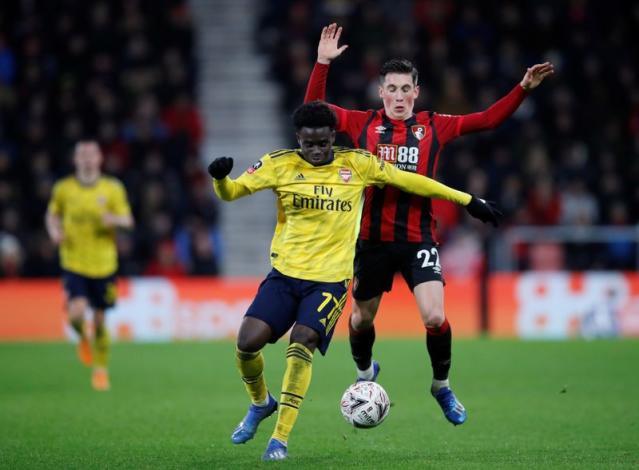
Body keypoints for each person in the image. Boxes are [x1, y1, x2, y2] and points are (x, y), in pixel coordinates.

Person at [208, 101, 500, 461]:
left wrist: (467, 199)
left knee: (301, 343)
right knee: (246, 343)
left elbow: (412, 181)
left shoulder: (357, 163)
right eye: (308, 144)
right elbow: (232, 193)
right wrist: (221, 179)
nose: (316, 151)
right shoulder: (278, 164)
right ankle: (260, 403)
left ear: (333, 136)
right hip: (284, 276)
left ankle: (279, 440)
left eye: (323, 143)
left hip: (329, 282)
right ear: (298, 138)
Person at [304, 23, 554, 425]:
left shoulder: (433, 125)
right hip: (370, 240)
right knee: (359, 319)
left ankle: (441, 386)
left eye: (407, 90)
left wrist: (523, 87)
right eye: (393, 89)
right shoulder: (360, 123)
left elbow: (488, 120)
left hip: (418, 237)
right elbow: (311, 114)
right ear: (381, 92)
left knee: (435, 317)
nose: (400, 97)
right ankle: (366, 373)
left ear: (416, 93)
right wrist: (322, 64)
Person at [45, 140, 134, 391]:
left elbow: (128, 220)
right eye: (81, 154)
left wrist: (112, 219)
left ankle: (100, 369)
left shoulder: (112, 188)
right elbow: (52, 214)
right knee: (75, 313)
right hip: (73, 262)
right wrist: (54, 231)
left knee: (100, 320)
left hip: (105, 264)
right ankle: (82, 336)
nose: (86, 159)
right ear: (75, 160)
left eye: (91, 154)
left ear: (99, 159)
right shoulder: (64, 189)